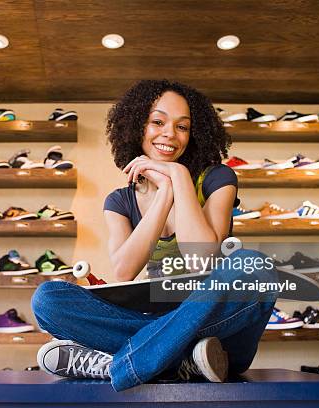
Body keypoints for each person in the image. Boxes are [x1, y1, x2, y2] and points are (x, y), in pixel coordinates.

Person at [32, 80, 277, 391]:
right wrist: (163, 194)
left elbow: (201, 258)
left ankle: (119, 364)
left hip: (222, 335)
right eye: (157, 122)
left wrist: (179, 176)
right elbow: (124, 270)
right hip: (205, 352)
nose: (170, 134)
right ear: (137, 126)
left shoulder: (217, 178)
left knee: (253, 266)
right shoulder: (120, 201)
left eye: (182, 127)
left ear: (194, 134)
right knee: (49, 299)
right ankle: (181, 361)